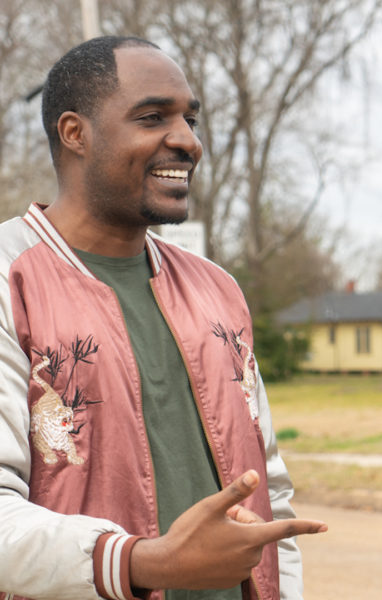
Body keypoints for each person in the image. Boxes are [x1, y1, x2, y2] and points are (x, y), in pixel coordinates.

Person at [0, 36, 326, 600]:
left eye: (190, 119)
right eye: (152, 117)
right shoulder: (11, 279)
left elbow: (268, 486)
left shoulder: (217, 288)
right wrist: (140, 562)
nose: (187, 141)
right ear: (75, 133)